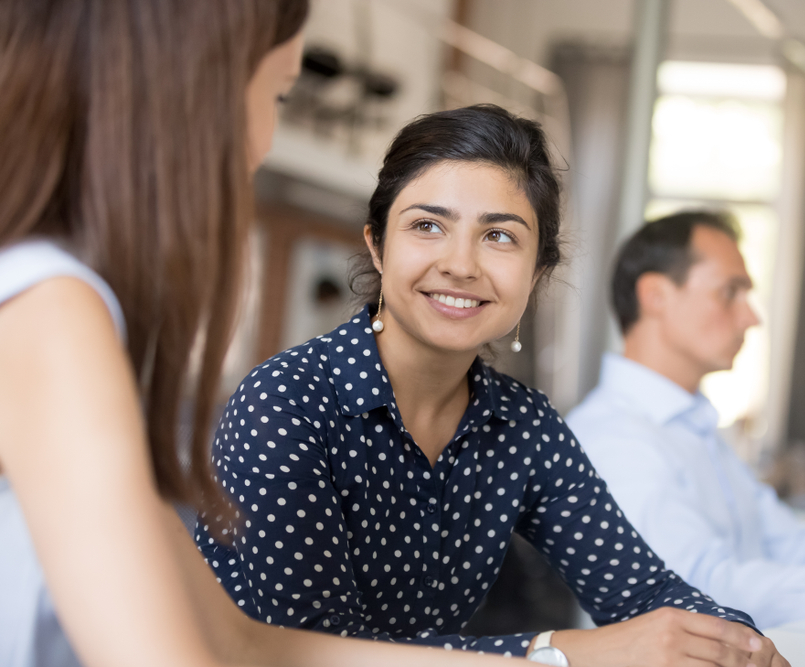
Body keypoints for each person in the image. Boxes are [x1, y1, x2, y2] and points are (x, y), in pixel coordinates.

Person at [0, 3, 515, 666]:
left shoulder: (53, 301)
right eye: (275, 93)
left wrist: (539, 658)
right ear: (189, 97)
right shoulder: (52, 313)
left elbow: (239, 639)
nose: (264, 140)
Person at [195, 105, 790, 667]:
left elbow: (642, 591)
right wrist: (564, 650)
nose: (461, 264)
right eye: (428, 226)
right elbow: (310, 650)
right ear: (377, 245)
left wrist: (741, 645)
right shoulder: (286, 403)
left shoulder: (522, 426)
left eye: (499, 236)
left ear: (537, 273)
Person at [566, 211, 805, 630]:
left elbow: (787, 541)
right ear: (655, 295)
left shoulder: (697, 427)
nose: (752, 317)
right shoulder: (612, 437)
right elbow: (698, 586)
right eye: (731, 292)